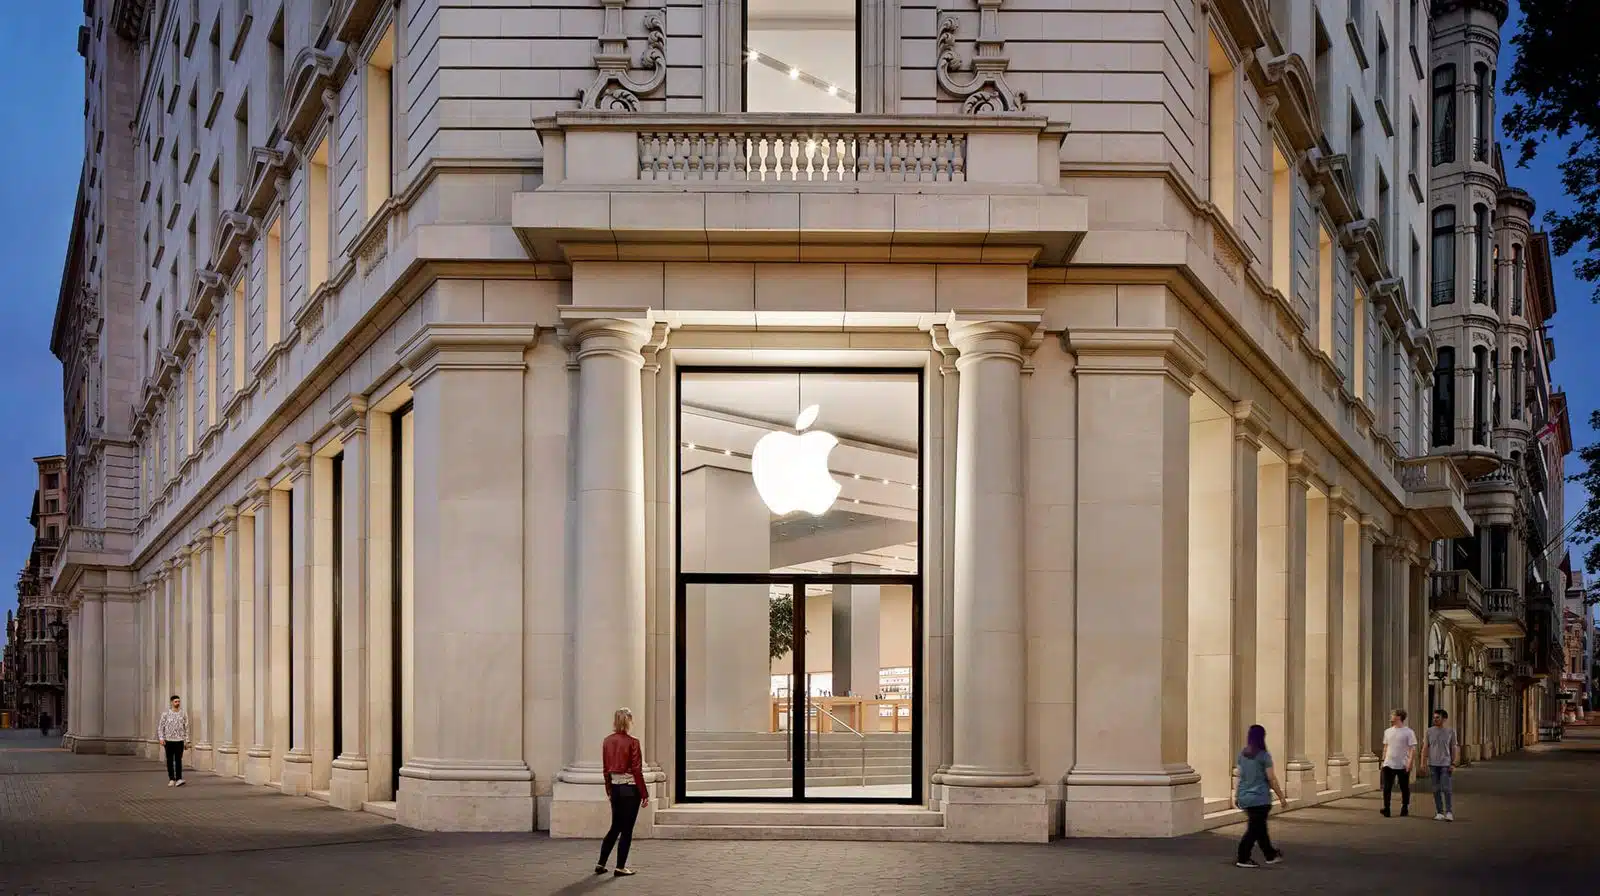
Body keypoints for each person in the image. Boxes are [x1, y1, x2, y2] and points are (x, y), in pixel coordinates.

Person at [595, 707, 647, 878]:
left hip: (616, 789)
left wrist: (609, 789)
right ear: (629, 721)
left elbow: (605, 770)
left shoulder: (607, 741)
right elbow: (637, 770)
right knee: (627, 830)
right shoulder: (633, 742)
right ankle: (620, 867)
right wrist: (644, 794)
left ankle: (601, 863)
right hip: (630, 789)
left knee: (615, 827)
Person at [1235, 724, 1289, 868]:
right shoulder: (1264, 756)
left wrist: (1237, 795)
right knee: (1254, 830)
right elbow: (1271, 778)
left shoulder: (1242, 755)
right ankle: (1243, 857)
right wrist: (1281, 796)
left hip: (1245, 796)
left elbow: (1240, 776)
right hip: (1260, 798)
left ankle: (1270, 854)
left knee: (1260, 828)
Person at [1380, 708, 1417, 817]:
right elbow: (1386, 747)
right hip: (1388, 764)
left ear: (1399, 717)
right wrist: (1383, 760)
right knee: (1387, 787)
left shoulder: (1408, 732)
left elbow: (1412, 749)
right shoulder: (1387, 731)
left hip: (1402, 764)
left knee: (1404, 787)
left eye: (1393, 715)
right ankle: (1387, 808)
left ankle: (1404, 807)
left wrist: (1410, 762)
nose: (1391, 717)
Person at [1426, 709, 1459, 821]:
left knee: (1446, 788)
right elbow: (1426, 747)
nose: (1435, 719)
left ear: (1444, 719)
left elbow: (1454, 747)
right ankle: (1439, 812)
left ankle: (1449, 812)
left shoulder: (1450, 731)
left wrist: (1454, 762)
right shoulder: (1429, 731)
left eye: (1437, 717)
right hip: (1433, 764)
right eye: (1434, 717)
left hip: (1445, 763)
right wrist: (1422, 762)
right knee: (1435, 789)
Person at [158, 695, 189, 787]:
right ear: (172, 702)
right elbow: (161, 727)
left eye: (179, 701)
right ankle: (171, 779)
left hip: (179, 740)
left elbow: (186, 727)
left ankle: (179, 778)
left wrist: (187, 741)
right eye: (176, 701)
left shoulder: (183, 713)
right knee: (170, 760)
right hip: (168, 740)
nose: (177, 703)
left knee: (178, 760)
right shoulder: (165, 714)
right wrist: (161, 738)